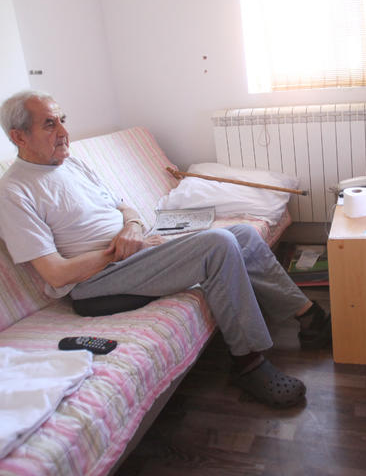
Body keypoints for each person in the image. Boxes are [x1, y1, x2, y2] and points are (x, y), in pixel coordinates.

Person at [0, 90, 331, 408]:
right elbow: (56, 274)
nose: (63, 132)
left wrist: (132, 228)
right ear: (19, 137)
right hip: (97, 281)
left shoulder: (72, 164)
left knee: (242, 233)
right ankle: (248, 362)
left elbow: (124, 207)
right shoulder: (14, 192)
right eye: (49, 124)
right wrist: (121, 250)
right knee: (218, 244)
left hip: (137, 251)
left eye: (62, 120)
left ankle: (308, 316)